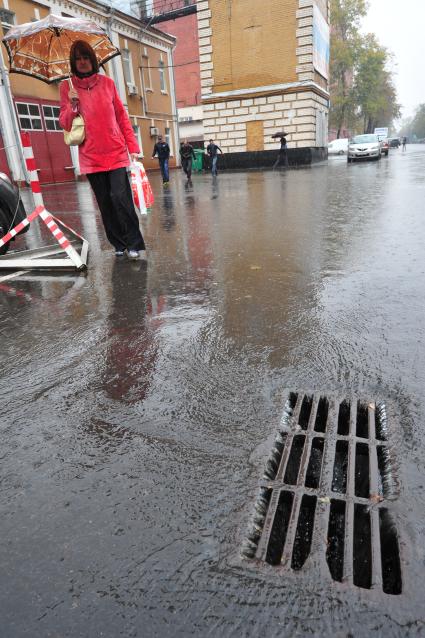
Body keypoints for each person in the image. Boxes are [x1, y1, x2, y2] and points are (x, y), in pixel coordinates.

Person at [59, 40, 146, 261]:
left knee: (121, 198)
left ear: (93, 60)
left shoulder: (107, 83)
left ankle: (134, 242)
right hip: (91, 156)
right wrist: (71, 105)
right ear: (73, 62)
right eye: (78, 58)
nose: (82, 62)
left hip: (115, 153)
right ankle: (118, 243)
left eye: (86, 57)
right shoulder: (67, 88)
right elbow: (65, 123)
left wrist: (132, 146)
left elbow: (121, 117)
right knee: (105, 203)